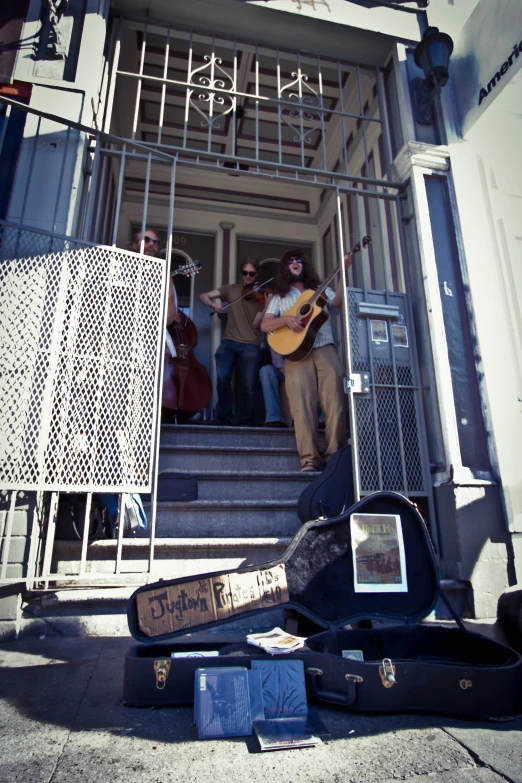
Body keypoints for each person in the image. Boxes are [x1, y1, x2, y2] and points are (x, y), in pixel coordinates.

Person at [261, 248, 350, 472]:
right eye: (290, 260)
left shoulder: (320, 290)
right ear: (285, 267)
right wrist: (287, 319)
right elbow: (265, 325)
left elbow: (338, 303)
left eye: (298, 259)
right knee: (301, 406)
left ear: (304, 265)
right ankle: (309, 458)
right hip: (296, 354)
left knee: (335, 403)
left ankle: (335, 456)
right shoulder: (279, 296)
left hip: (325, 348)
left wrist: (345, 272)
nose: (295, 262)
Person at [200, 257, 268, 426]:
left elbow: (256, 325)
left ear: (257, 274)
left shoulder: (262, 297)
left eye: (252, 274)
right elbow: (204, 295)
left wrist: (267, 305)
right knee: (223, 380)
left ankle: (246, 420)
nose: (248, 277)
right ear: (241, 274)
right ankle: (225, 418)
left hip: (251, 343)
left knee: (249, 385)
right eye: (245, 273)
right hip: (229, 342)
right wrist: (211, 304)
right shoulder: (231, 290)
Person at [131, 229, 179, 325]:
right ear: (135, 245)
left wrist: (168, 283)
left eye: (155, 242)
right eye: (146, 240)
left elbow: (168, 319)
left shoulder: (164, 276)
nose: (152, 244)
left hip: (153, 333)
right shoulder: (122, 268)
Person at [259, 348, 288, 428]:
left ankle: (321, 418)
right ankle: (274, 418)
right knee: (266, 371)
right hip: (284, 370)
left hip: (302, 368)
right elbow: (279, 364)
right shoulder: (274, 335)